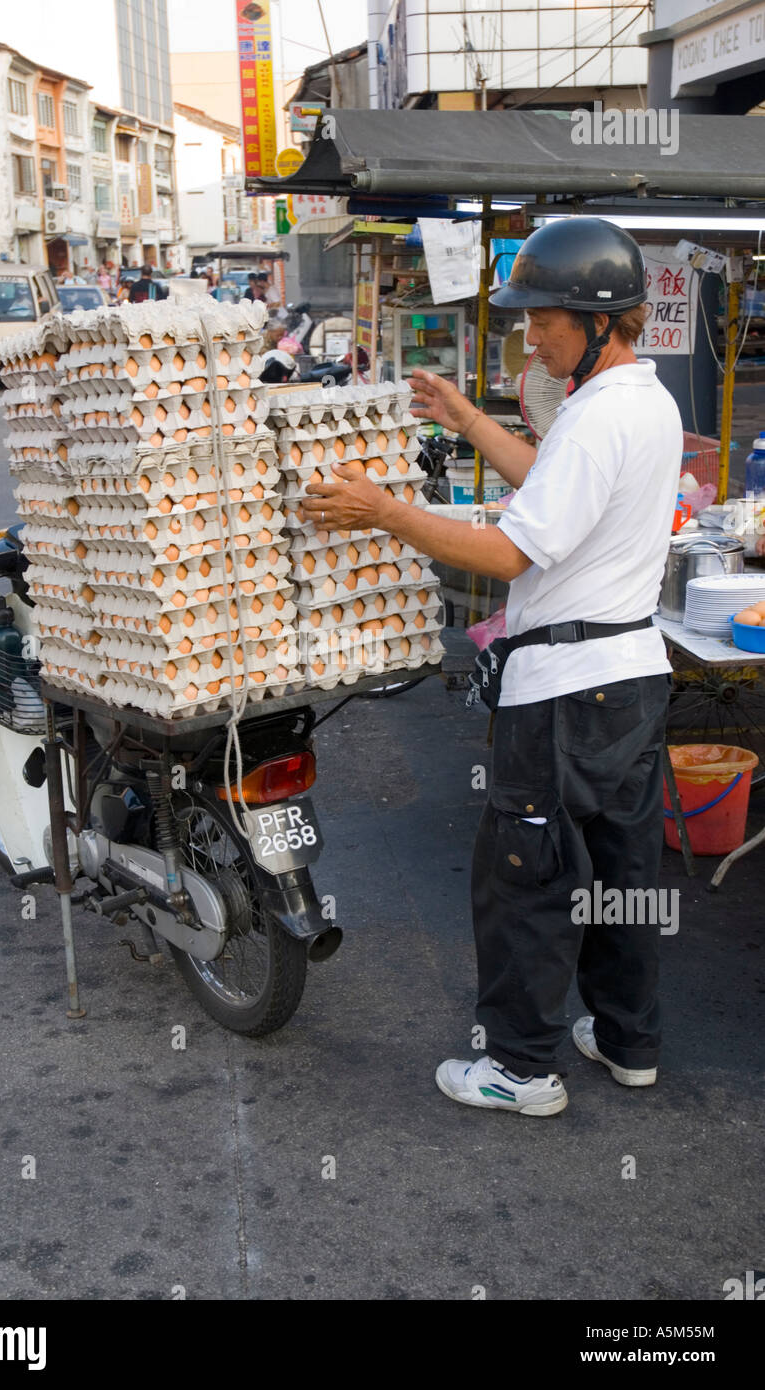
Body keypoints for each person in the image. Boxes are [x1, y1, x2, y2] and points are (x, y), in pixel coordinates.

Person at [301, 217, 683, 1118]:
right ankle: (629, 1040)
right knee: (622, 872)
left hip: (564, 691)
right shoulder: (643, 401)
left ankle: (519, 1068)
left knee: (529, 875)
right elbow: (555, 481)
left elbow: (513, 554)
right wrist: (469, 420)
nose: (531, 337)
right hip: (629, 677)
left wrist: (383, 511)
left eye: (544, 319)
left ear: (598, 320)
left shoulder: (599, 415)